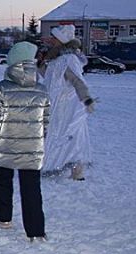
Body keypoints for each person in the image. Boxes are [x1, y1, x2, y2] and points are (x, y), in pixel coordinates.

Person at [0, 42, 49, 242]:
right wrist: (37, 141)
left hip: (4, 147)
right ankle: (36, 231)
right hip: (32, 148)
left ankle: (2, 218)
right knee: (31, 187)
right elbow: (46, 122)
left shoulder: (1, 89)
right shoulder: (42, 90)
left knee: (2, 179)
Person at [40, 25, 95, 181]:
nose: (51, 40)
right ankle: (55, 165)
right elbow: (50, 80)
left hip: (67, 107)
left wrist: (87, 99)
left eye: (54, 38)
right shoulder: (56, 59)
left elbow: (77, 81)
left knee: (72, 136)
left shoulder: (68, 60)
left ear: (61, 41)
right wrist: (40, 66)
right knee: (56, 135)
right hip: (56, 105)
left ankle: (77, 172)